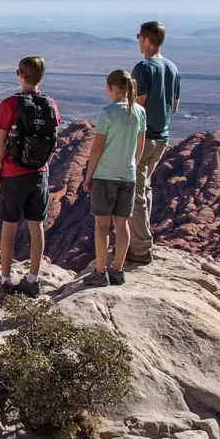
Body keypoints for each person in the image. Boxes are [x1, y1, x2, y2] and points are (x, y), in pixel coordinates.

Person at [0, 55, 61, 297]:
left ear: (20, 74)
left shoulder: (10, 104)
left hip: (13, 173)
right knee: (36, 225)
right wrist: (43, 168)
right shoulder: (51, 103)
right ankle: (33, 279)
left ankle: (6, 280)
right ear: (41, 77)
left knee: (9, 226)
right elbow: (52, 140)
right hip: (39, 174)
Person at [83, 70, 146, 286]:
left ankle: (100, 273)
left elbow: (97, 148)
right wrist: (132, 166)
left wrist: (89, 175)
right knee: (122, 224)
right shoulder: (139, 112)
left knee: (102, 225)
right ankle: (118, 271)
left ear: (111, 87)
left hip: (105, 175)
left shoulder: (107, 113)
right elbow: (141, 145)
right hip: (127, 175)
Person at [128, 20, 181, 263]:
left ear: (146, 39)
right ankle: (140, 241)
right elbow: (175, 106)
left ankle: (140, 249)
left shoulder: (143, 68)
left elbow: (138, 105)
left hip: (143, 137)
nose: (138, 40)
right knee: (144, 187)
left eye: (140, 36)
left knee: (134, 193)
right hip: (162, 137)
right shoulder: (172, 68)